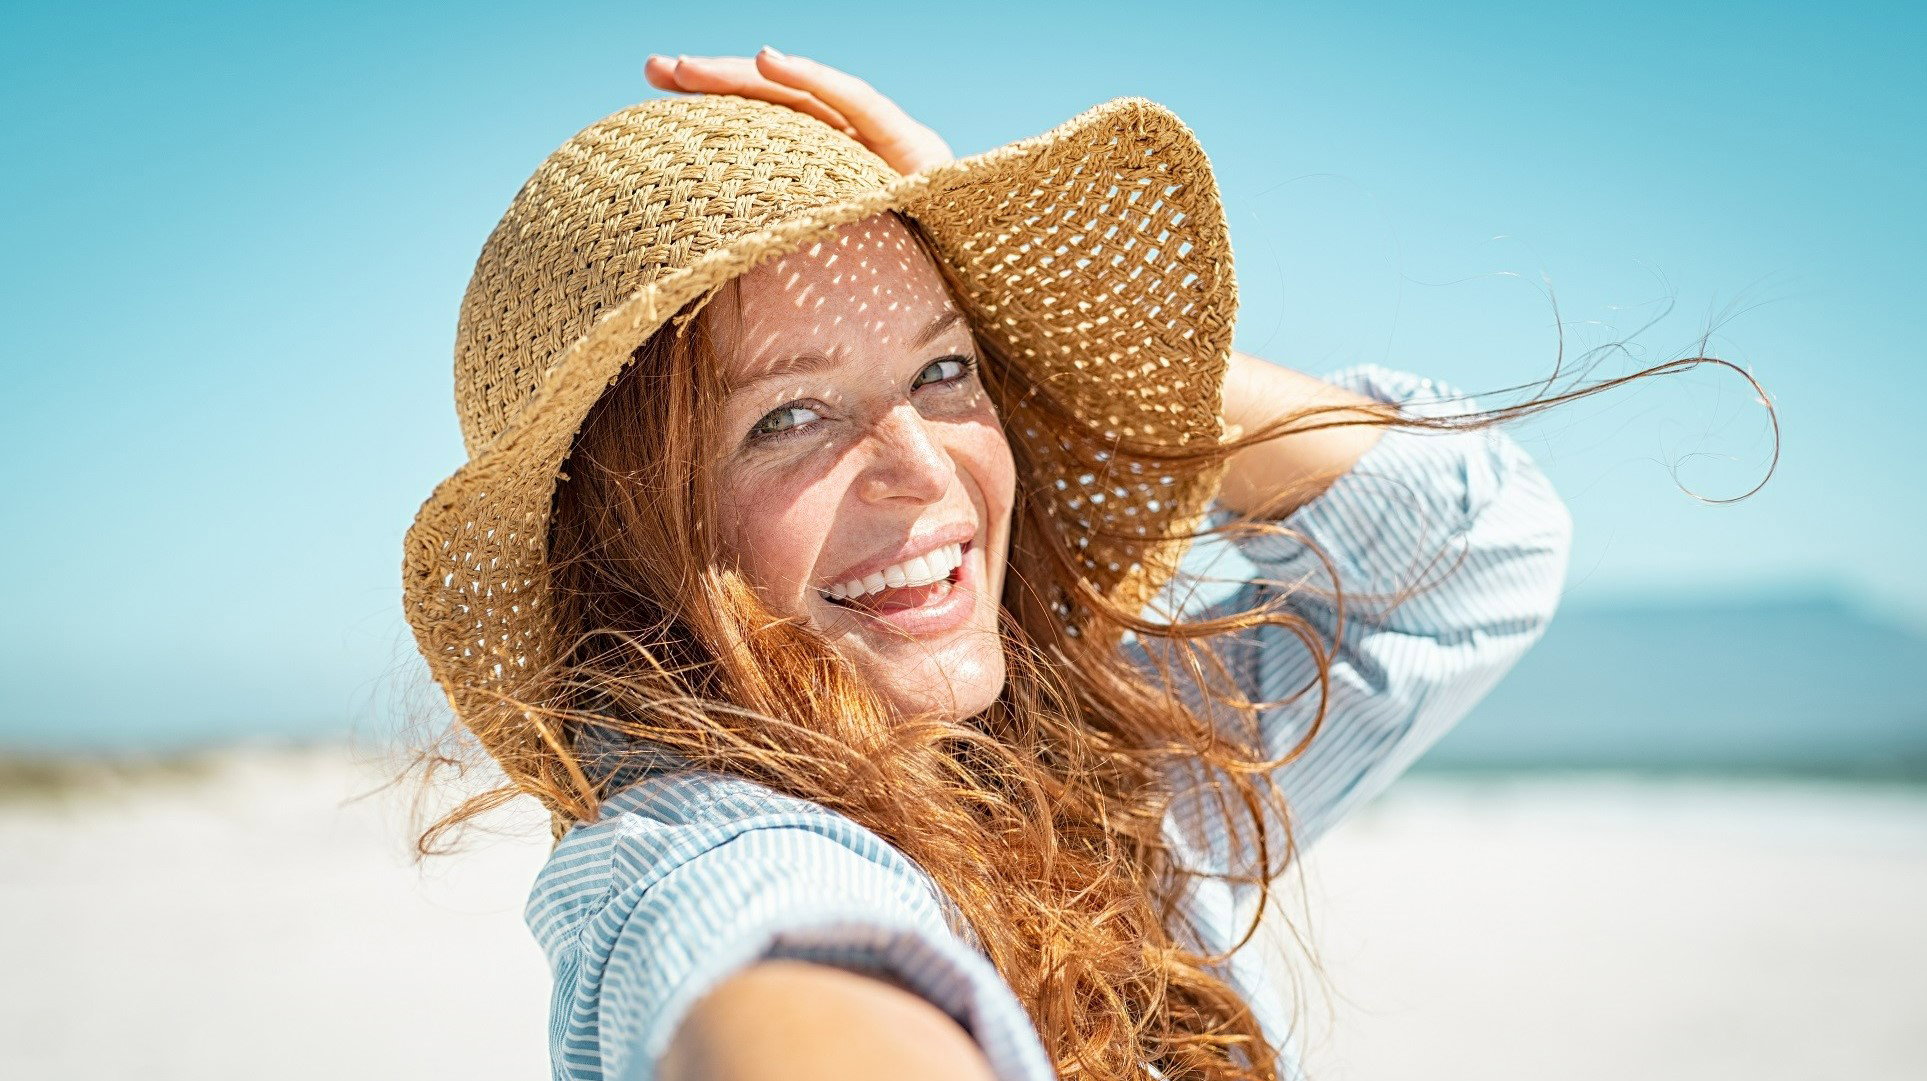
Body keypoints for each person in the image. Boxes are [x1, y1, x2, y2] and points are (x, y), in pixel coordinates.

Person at [398, 47, 1763, 1081]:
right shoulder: (701, 851)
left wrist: (1041, 335)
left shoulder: (1095, 780)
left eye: (947, 370)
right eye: (789, 416)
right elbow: (784, 973)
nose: (922, 466)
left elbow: (1474, 543)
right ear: (630, 536)